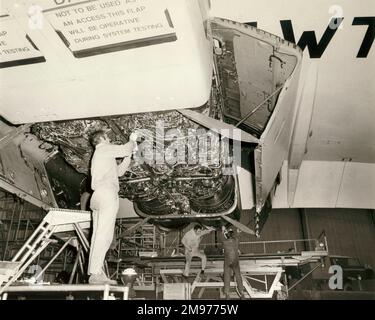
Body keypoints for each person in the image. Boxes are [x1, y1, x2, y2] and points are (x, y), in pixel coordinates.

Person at [87, 130, 137, 285]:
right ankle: (95, 274)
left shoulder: (102, 156)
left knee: (97, 236)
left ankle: (95, 272)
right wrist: (132, 140)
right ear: (101, 138)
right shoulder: (103, 148)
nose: (109, 139)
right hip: (107, 193)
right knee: (105, 236)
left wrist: (129, 155)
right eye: (108, 137)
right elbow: (125, 148)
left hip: (98, 196)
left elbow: (120, 172)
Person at [222, 226, 244, 299]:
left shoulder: (224, 242)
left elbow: (223, 237)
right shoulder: (236, 241)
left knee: (227, 277)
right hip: (235, 261)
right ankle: (242, 293)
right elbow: (237, 237)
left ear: (227, 235)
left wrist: (223, 231)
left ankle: (227, 294)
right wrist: (238, 232)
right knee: (238, 276)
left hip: (227, 262)